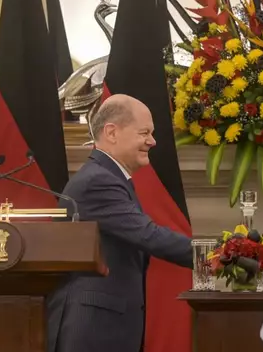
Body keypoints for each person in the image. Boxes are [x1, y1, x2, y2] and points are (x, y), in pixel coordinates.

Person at [46, 94, 193, 352]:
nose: (152, 141)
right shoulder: (98, 181)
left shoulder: (109, 177)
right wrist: (216, 254)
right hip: (92, 330)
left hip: (104, 328)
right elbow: (149, 236)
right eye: (144, 132)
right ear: (112, 132)